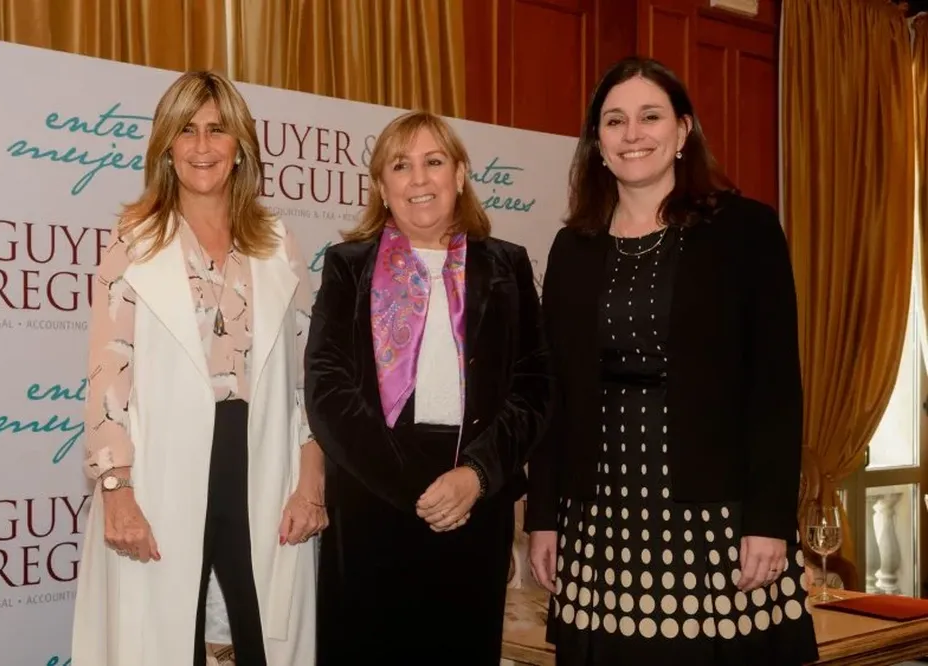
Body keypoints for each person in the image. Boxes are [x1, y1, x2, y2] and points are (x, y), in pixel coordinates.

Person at [526, 56, 819, 665]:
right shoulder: (572, 246)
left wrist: (769, 520)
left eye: (650, 116)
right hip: (598, 515)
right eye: (614, 121)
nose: (633, 134)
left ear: (683, 131)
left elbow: (774, 389)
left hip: (716, 517)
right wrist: (544, 516)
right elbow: (554, 394)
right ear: (597, 142)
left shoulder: (746, 229)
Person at [71, 70, 327, 666]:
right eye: (186, 130)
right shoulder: (133, 242)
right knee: (166, 641)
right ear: (166, 146)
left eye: (217, 129)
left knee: (259, 637)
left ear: (240, 146)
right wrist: (117, 492)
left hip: (260, 462)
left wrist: (311, 481)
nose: (203, 145)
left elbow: (306, 379)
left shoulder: (277, 244)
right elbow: (108, 378)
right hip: (164, 468)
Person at [304, 110, 553, 665]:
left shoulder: (506, 266)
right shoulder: (348, 267)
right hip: (373, 499)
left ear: (460, 174)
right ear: (381, 187)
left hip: (474, 501)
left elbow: (535, 387)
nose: (419, 179)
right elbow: (327, 388)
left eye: (434, 162)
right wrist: (415, 486)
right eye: (401, 165)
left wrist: (477, 476)